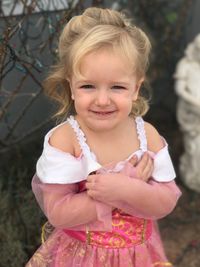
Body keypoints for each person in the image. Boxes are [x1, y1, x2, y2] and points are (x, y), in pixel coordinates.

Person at [26, 7, 181, 267]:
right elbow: (59, 213)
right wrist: (116, 188)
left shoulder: (147, 136)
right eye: (88, 86)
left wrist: (128, 189)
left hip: (137, 255)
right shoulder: (66, 139)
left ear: (136, 88)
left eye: (118, 87)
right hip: (82, 256)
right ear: (71, 87)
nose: (102, 100)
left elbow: (165, 202)